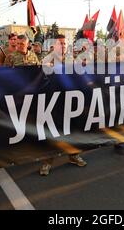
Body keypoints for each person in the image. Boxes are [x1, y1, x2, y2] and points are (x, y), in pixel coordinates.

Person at [39, 34, 88, 176]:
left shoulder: (71, 58)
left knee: (72, 128)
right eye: (60, 43)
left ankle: (73, 155)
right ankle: (47, 161)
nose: (63, 46)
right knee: (53, 131)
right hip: (54, 100)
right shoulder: (48, 58)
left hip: (70, 99)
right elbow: (43, 71)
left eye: (65, 43)